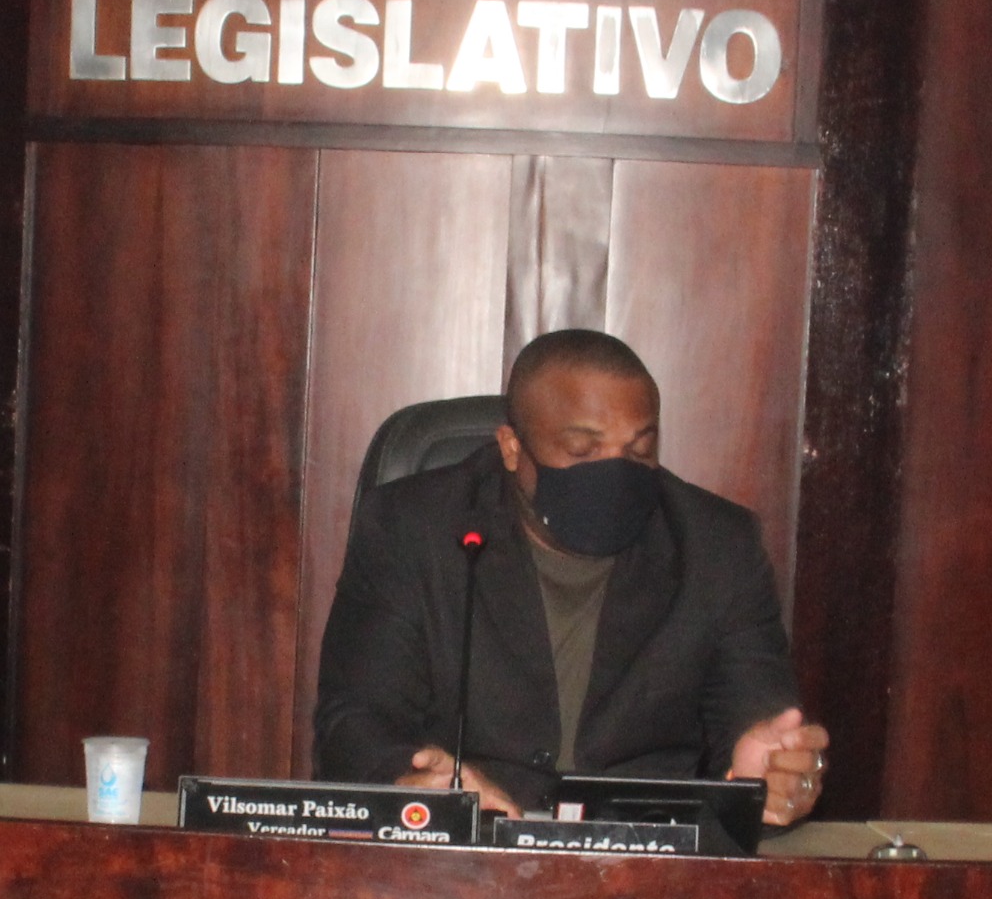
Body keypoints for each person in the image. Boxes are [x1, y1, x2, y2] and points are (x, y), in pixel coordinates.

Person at [312, 329, 828, 826]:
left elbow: (755, 721)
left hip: (642, 855)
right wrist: (417, 781)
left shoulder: (717, 546)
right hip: (467, 848)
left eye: (639, 451)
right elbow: (355, 722)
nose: (615, 474)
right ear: (512, 448)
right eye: (583, 452)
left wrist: (767, 779)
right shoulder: (414, 528)